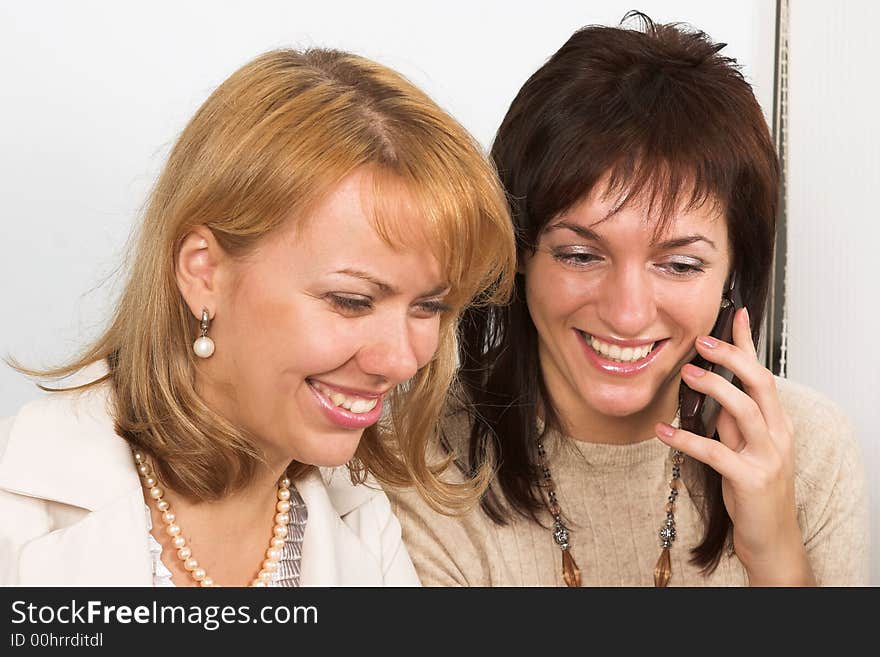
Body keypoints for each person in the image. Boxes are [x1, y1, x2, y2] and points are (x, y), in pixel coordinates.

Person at [0, 48, 515, 586]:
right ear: (204, 273)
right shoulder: (16, 515)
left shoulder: (367, 527)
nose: (400, 360)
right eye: (352, 300)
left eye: (429, 306)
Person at [388, 14, 869, 586]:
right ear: (518, 251)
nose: (628, 313)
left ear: (732, 272)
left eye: (680, 264)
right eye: (580, 255)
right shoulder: (416, 452)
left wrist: (775, 556)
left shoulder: (811, 449)